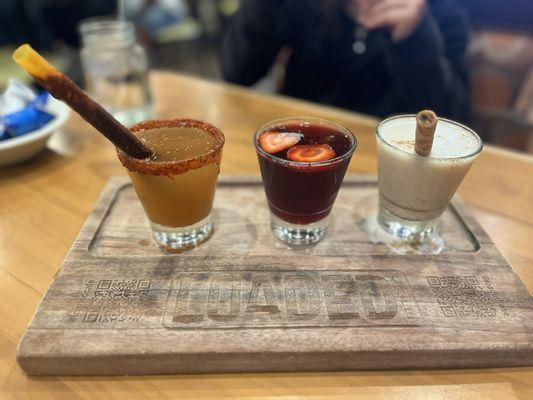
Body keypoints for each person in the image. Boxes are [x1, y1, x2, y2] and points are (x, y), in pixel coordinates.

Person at [221, 0, 470, 122]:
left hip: (390, 165)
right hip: (297, 149)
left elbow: (450, 117)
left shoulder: (442, 12)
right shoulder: (306, 5)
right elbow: (237, 72)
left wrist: (415, 36)